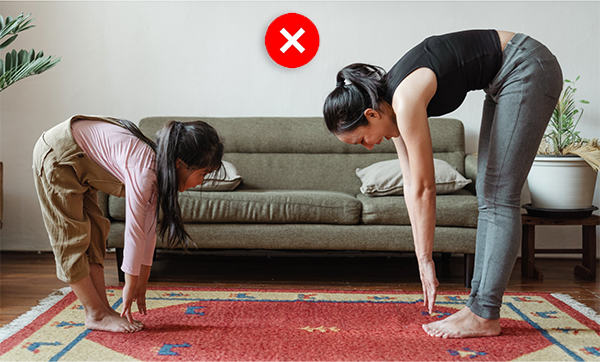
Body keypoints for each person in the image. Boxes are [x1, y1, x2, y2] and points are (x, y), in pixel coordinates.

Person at [323, 30, 562, 338]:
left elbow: (426, 188)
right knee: (489, 194)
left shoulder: (405, 100)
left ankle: (484, 314)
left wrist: (427, 261)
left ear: (371, 114)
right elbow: (411, 184)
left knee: (499, 195)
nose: (369, 146)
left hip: (527, 66)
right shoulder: (390, 107)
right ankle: (479, 310)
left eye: (361, 140)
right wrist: (420, 256)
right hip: (504, 78)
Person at [33, 115, 224, 333]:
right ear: (181, 164)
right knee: (71, 239)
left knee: (95, 235)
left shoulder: (158, 170)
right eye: (203, 174)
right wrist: (129, 284)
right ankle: (95, 314)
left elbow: (148, 228)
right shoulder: (144, 171)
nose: (201, 182)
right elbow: (134, 230)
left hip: (79, 158)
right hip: (59, 154)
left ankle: (103, 310)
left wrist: (143, 278)